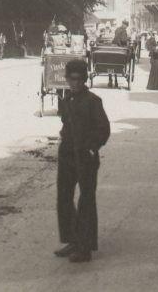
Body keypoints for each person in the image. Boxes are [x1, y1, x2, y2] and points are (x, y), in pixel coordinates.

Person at [54, 59, 111, 264]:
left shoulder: (93, 101)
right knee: (64, 197)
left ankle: (85, 248)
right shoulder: (67, 99)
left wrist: (90, 147)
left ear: (84, 79)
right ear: (67, 79)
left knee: (86, 200)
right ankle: (72, 240)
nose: (74, 83)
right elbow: (66, 124)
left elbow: (104, 129)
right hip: (67, 154)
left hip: (85, 157)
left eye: (78, 79)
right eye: (71, 79)